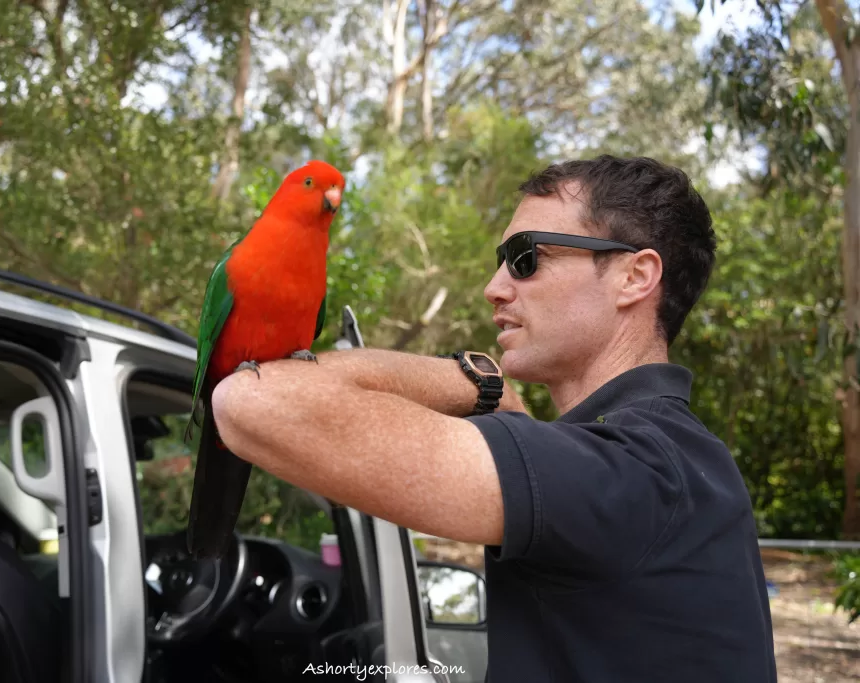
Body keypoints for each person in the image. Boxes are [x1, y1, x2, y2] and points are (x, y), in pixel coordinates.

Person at [210, 155, 777, 682]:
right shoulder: (671, 458)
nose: (494, 288)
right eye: (500, 262)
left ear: (634, 277)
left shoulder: (637, 467)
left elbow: (249, 400)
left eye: (527, 258)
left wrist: (479, 382)